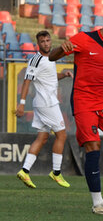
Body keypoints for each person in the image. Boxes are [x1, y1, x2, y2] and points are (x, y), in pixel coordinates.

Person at [49, 6, 103, 216]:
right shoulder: (83, 39)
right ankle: (98, 203)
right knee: (92, 146)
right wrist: (62, 48)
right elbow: (51, 57)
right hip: (83, 101)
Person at [16, 30, 73, 189]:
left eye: (48, 40)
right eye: (43, 41)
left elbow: (49, 76)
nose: (46, 43)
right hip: (47, 103)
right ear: (38, 44)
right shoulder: (35, 59)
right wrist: (21, 103)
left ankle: (25, 171)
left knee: (42, 138)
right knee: (62, 135)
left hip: (44, 103)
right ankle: (56, 173)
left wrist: (64, 74)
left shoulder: (51, 57)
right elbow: (27, 81)